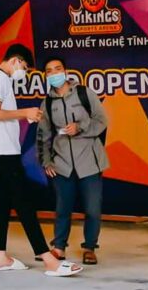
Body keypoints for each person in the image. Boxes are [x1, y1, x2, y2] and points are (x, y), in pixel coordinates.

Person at [0, 45, 67, 274]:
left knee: (2, 202)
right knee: (24, 202)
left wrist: (21, 116)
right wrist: (24, 113)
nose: (24, 73)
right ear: (16, 61)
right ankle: (49, 260)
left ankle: (0, 256)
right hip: (3, 151)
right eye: (25, 68)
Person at [42, 61, 107, 270]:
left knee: (93, 209)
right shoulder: (47, 102)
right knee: (62, 208)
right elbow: (43, 134)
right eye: (49, 71)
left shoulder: (84, 93)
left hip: (89, 161)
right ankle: (59, 247)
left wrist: (80, 127)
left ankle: (90, 247)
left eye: (57, 69)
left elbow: (101, 121)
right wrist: (46, 161)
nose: (54, 74)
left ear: (65, 72)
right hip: (62, 164)